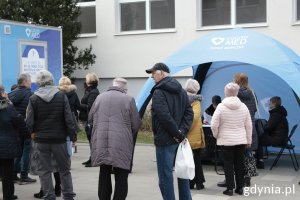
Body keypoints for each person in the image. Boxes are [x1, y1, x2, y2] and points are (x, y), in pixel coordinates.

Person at [146, 63, 194, 200]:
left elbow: (164, 117)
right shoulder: (181, 91)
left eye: (153, 73)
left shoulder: (159, 91)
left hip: (165, 140)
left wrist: (178, 134)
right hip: (179, 139)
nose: (151, 76)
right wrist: (181, 133)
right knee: (182, 173)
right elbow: (189, 113)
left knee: (165, 177)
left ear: (161, 73)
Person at [26, 70, 76, 200]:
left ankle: (49, 196)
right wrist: (73, 136)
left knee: (44, 171)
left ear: (38, 83)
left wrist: (32, 133)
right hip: (59, 139)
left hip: (41, 140)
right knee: (64, 169)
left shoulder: (33, 98)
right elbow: (68, 118)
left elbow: (29, 120)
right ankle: (68, 196)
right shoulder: (61, 96)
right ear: (52, 80)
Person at [89, 78, 141, 200]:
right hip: (121, 141)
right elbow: (136, 124)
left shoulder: (100, 97)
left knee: (104, 172)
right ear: (125, 88)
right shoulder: (129, 99)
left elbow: (91, 118)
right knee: (121, 174)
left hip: (101, 139)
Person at [211, 83, 252, 196]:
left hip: (226, 141)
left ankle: (229, 188)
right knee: (240, 163)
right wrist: (249, 140)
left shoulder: (220, 106)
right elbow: (249, 125)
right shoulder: (243, 106)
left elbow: (214, 124)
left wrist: (216, 135)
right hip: (240, 140)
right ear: (237, 92)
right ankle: (240, 188)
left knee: (228, 164)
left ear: (225, 92)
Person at [8, 73, 36, 184]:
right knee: (26, 152)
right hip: (26, 127)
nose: (31, 83)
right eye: (29, 81)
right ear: (25, 82)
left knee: (16, 151)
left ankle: (14, 174)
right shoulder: (31, 95)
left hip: (14, 128)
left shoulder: (10, 95)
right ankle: (24, 175)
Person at [0, 85, 22, 200]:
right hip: (6, 145)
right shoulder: (7, 107)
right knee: (7, 172)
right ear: (3, 94)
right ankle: (8, 195)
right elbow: (18, 121)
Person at [184, 79, 206, 190]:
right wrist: (186, 129)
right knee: (196, 160)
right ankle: (197, 183)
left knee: (189, 160)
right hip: (194, 135)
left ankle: (194, 182)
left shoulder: (181, 99)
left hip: (184, 135)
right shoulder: (196, 101)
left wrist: (182, 130)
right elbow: (194, 117)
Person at [256, 96, 289, 168]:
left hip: (278, 139)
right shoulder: (280, 113)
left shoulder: (276, 114)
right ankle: (261, 157)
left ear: (274, 103)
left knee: (258, 140)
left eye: (270, 103)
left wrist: (265, 125)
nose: (269, 105)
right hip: (282, 138)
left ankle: (260, 161)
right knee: (261, 138)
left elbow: (267, 127)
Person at [79, 72, 100, 167]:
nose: (85, 80)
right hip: (86, 118)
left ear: (90, 80)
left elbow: (90, 106)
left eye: (86, 78)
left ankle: (94, 159)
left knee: (92, 139)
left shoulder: (94, 92)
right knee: (90, 139)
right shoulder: (88, 90)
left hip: (90, 119)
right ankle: (92, 157)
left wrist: (78, 105)